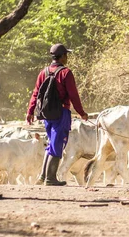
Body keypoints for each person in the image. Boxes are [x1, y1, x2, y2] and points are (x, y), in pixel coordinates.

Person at [26, 43, 89, 185]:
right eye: (66, 55)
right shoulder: (66, 73)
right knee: (57, 144)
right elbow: (73, 96)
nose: (67, 57)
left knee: (51, 143)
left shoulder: (44, 72)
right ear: (62, 56)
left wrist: (30, 112)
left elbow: (36, 93)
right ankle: (50, 179)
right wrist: (81, 113)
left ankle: (43, 176)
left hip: (47, 115)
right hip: (61, 113)